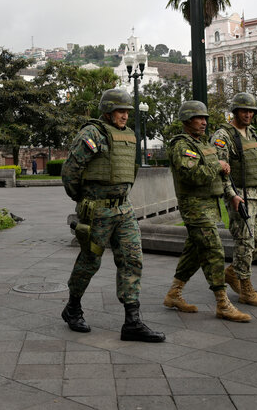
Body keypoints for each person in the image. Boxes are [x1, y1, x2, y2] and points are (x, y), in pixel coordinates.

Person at [61, 88, 165, 343]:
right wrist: (83, 200)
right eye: (120, 111)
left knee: (132, 259)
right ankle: (73, 307)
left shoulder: (128, 135)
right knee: (90, 261)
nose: (125, 116)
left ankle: (132, 322)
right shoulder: (92, 133)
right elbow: (70, 171)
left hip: (124, 210)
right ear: (107, 111)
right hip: (97, 212)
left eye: (127, 111)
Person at [162, 100, 251, 323]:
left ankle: (174, 293)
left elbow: (217, 174)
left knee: (194, 252)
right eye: (198, 118)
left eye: (205, 118)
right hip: (194, 207)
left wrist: (230, 193)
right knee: (213, 250)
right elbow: (191, 175)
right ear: (186, 120)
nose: (203, 122)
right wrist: (218, 165)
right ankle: (222, 303)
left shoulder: (203, 144)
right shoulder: (181, 145)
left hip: (210, 205)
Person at [210, 93, 257, 307]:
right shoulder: (223, 136)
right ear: (235, 111)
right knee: (245, 242)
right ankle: (246, 288)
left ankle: (233, 272)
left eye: (251, 111)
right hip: (240, 196)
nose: (248, 114)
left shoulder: (252, 132)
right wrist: (232, 196)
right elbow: (221, 170)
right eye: (244, 111)